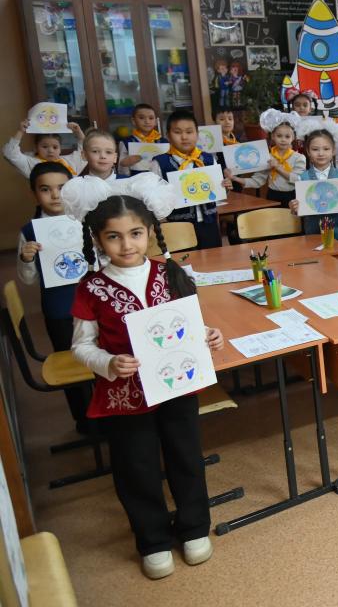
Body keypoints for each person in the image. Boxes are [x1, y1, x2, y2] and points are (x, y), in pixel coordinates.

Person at [65, 173, 225, 579]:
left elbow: (189, 325)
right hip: (124, 395)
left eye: (135, 234)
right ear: (97, 239)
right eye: (113, 237)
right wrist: (107, 363)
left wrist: (209, 335)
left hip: (177, 386)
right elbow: (81, 346)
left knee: (186, 456)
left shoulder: (170, 272)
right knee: (136, 466)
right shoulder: (91, 288)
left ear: (150, 232)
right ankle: (152, 539)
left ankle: (193, 527)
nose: (127, 245)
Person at [17, 162, 90, 432]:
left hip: (94, 302)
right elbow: (28, 279)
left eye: (62, 187)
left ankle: (110, 413)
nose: (55, 195)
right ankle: (84, 420)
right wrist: (27, 259)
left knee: (102, 353)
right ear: (34, 194)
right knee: (71, 362)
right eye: (46, 189)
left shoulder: (86, 219)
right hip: (60, 309)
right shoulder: (30, 231)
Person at [148, 109, 231, 250]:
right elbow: (153, 199)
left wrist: (225, 187)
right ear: (168, 135)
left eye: (189, 132)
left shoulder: (209, 159)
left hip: (209, 224)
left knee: (214, 259)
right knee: (185, 261)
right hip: (178, 227)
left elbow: (218, 196)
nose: (184, 137)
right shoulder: (159, 163)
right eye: (177, 132)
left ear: (197, 134)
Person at [287, 120, 338, 240]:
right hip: (313, 234)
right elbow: (300, 210)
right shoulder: (302, 179)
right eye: (315, 149)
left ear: (333, 150)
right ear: (308, 151)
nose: (321, 153)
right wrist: (294, 208)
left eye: (326, 149)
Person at [238, 109, 306, 207]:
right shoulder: (267, 157)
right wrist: (236, 178)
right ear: (273, 136)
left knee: (290, 217)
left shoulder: (299, 158)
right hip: (272, 196)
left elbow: (299, 180)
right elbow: (258, 180)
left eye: (287, 136)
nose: (283, 139)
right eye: (279, 136)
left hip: (292, 197)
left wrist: (278, 168)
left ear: (293, 137)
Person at [5, 118, 85, 178]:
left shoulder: (69, 162)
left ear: (60, 149)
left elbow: (85, 152)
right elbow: (10, 154)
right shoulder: (31, 163)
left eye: (55, 147)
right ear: (36, 148)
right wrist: (20, 131)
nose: (50, 150)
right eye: (45, 147)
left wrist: (78, 132)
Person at [118, 103, 167, 175]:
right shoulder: (126, 142)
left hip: (161, 179)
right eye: (141, 118)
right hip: (136, 179)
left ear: (156, 121)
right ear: (133, 121)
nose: (147, 121)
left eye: (151, 118)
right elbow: (122, 169)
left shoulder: (163, 142)